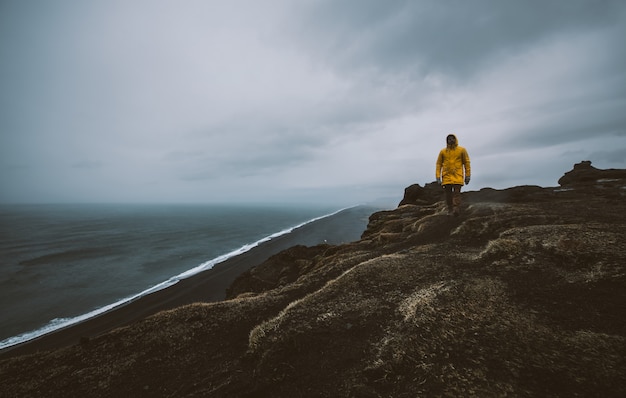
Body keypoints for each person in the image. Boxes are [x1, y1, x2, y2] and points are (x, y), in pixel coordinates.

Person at [436, 133, 471, 216]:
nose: (451, 140)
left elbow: (466, 163)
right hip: (446, 177)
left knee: (456, 193)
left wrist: (468, 175)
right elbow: (439, 164)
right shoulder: (443, 152)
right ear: (446, 141)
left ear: (455, 139)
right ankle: (450, 209)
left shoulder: (462, 150)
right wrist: (438, 176)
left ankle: (456, 209)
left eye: (452, 138)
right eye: (449, 139)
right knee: (448, 195)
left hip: (458, 176)